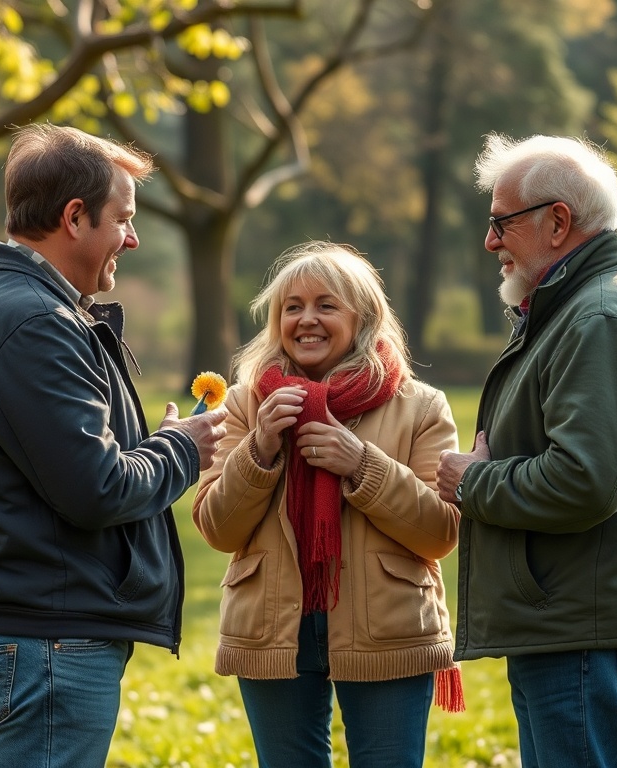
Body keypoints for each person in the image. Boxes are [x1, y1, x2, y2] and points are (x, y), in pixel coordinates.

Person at [0, 123, 227, 768]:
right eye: (122, 218)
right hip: (46, 640)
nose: (133, 237)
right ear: (74, 217)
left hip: (37, 632)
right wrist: (182, 447)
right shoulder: (31, 322)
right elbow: (99, 487)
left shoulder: (14, 309)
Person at [436, 133, 617, 767]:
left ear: (558, 222)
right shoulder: (583, 307)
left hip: (587, 633)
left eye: (501, 221)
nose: (490, 240)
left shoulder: (602, 318)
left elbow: (581, 482)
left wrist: (473, 482)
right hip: (573, 624)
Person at [192, 241, 464, 768]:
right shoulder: (247, 403)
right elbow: (218, 528)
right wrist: (260, 449)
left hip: (388, 629)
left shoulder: (420, 405)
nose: (306, 320)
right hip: (273, 629)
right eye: (291, 307)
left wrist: (362, 464)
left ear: (362, 317)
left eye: (325, 305)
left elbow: (441, 532)